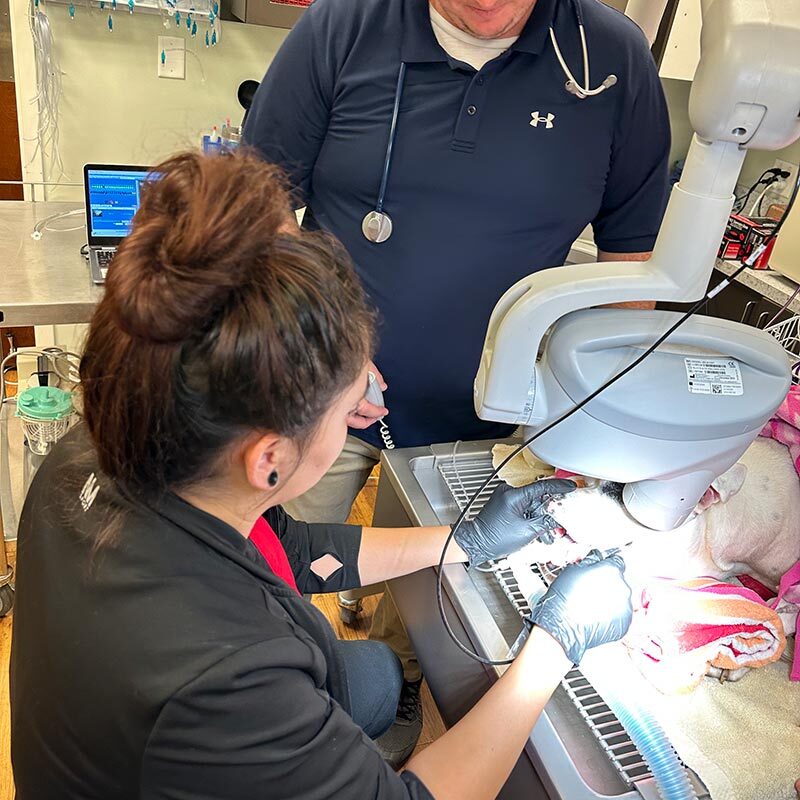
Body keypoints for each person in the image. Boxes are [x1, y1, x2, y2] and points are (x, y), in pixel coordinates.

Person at [10, 152, 633, 800]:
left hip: (126, 729)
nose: (360, 412)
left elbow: (291, 548)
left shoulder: (112, 439)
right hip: (172, 734)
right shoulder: (233, 676)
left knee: (376, 676)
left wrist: (463, 542)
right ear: (269, 459)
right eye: (348, 408)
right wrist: (553, 650)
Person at [243, 0, 671, 762]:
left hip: (490, 415)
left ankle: (397, 679)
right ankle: (290, 688)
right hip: (323, 392)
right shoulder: (341, 31)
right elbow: (259, 201)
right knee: (276, 561)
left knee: (426, 598)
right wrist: (326, 345)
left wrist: (603, 419)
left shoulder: (609, 60)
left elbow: (631, 261)